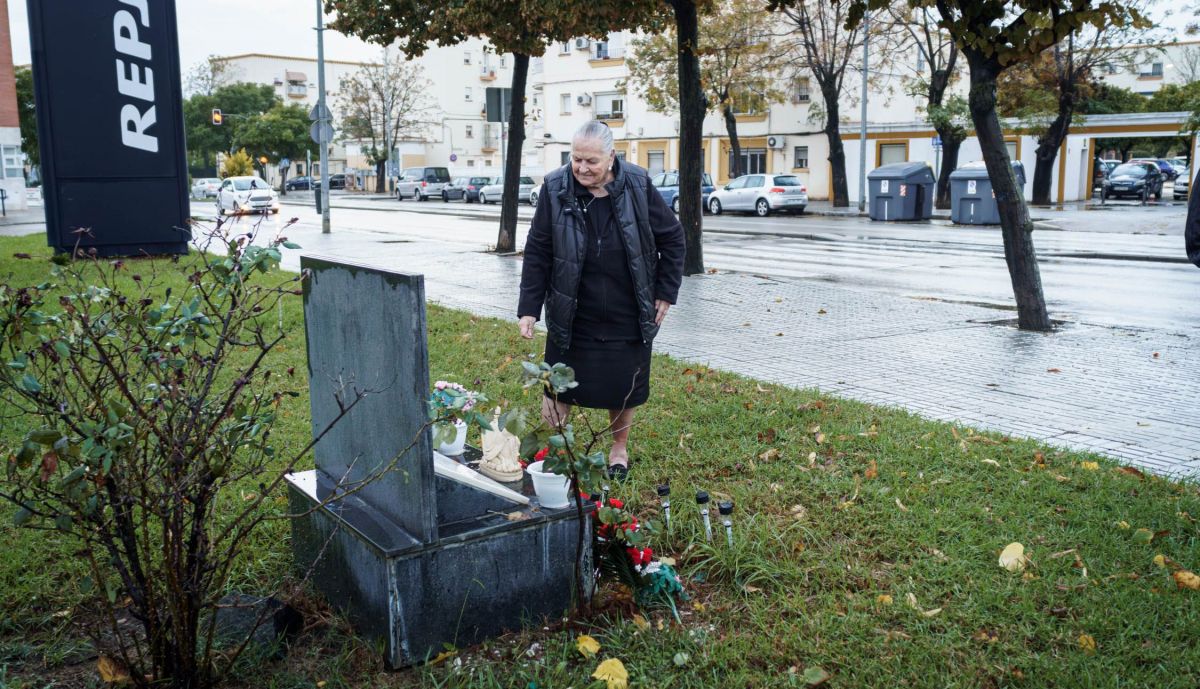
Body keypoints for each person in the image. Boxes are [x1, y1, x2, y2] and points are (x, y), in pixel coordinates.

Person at [518, 120, 686, 480]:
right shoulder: (555, 187)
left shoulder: (638, 184)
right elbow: (538, 249)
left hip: (628, 308)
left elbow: (673, 238)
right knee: (558, 383)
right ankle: (556, 452)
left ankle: (618, 449)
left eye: (591, 161)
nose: (581, 168)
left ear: (611, 157)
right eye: (576, 159)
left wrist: (665, 292)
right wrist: (529, 308)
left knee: (622, 386)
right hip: (572, 309)